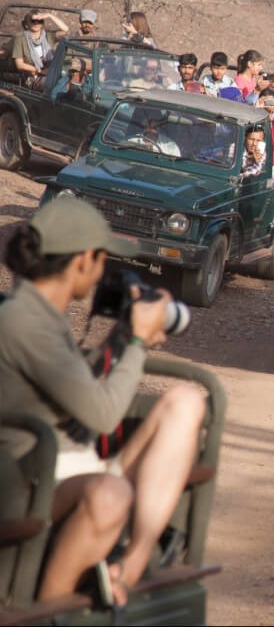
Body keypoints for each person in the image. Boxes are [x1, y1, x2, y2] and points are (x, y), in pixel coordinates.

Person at [0, 197, 205, 606]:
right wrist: (136, 340)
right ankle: (49, 609)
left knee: (185, 400)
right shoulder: (24, 321)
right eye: (102, 261)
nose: (102, 274)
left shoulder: (40, 315)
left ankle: (127, 569)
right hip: (32, 483)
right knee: (112, 494)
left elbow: (77, 386)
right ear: (82, 261)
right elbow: (105, 413)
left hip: (72, 469)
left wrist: (124, 337)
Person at [11, 10, 68, 79]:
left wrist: (50, 16)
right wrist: (39, 71)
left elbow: (66, 30)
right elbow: (19, 65)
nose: (36, 24)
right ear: (26, 24)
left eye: (40, 21)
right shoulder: (20, 38)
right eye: (33, 21)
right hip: (32, 75)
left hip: (50, 71)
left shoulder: (48, 35)